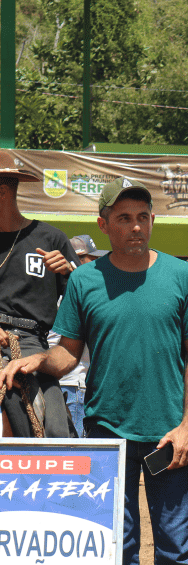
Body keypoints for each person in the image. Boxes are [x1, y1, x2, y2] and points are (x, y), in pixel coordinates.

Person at [2, 177, 188, 565]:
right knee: (116, 548)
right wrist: (35, 360)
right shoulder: (85, 281)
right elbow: (68, 353)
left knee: (177, 547)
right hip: (106, 431)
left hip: (168, 435)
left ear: (152, 221)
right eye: (123, 218)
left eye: (142, 217)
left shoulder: (181, 277)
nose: (135, 227)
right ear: (103, 224)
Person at [0, 150, 78, 437]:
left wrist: (69, 272)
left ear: (2, 191)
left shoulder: (50, 238)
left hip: (31, 343)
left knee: (56, 429)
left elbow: (84, 302)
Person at [48, 235, 108, 437]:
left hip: (66, 383)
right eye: (92, 258)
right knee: (74, 449)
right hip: (72, 385)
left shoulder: (59, 289)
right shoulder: (73, 292)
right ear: (78, 259)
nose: (97, 264)